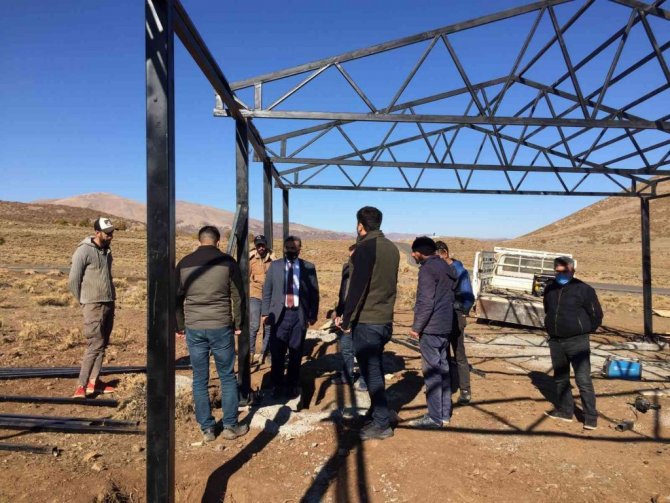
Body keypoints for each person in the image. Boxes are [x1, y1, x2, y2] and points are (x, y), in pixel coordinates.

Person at [176, 225, 249, 442]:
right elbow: (238, 296)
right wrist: (238, 323)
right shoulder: (227, 262)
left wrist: (180, 325)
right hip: (221, 326)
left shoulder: (184, 263)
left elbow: (176, 298)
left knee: (200, 379)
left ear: (199, 241)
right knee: (227, 376)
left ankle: (207, 429)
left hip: (194, 327)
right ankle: (230, 426)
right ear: (218, 242)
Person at [336, 207, 400, 441]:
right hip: (384, 319)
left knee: (371, 372)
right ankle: (377, 413)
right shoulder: (392, 248)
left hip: (367, 321)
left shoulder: (364, 248)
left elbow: (357, 287)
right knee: (376, 369)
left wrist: (346, 319)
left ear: (360, 225)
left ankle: (382, 424)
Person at [543, 256, 603, 430]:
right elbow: (548, 309)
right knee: (561, 378)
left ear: (572, 271)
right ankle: (565, 411)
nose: (561, 275)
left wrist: (584, 330)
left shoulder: (584, 289)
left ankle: (590, 417)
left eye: (565, 271)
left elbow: (596, 314)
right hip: (556, 341)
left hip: (577, 341)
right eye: (558, 271)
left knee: (583, 379)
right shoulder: (549, 288)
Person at [262, 236, 319, 399]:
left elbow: (314, 293)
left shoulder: (308, 267)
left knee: (296, 352)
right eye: (287, 247)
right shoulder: (275, 266)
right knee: (277, 352)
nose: (290, 250)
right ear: (284, 248)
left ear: (300, 249)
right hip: (279, 315)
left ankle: (292, 384)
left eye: (293, 248)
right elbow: (267, 290)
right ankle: (277, 385)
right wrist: (265, 312)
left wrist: (313, 314)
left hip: (298, 315)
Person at [409, 237, 458, 429]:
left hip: (431, 327)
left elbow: (426, 301)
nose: (413, 255)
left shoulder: (427, 269)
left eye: (414, 252)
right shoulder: (445, 266)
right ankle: (444, 414)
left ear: (420, 252)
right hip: (446, 325)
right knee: (444, 370)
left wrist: (416, 327)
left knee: (432, 372)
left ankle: (435, 417)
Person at [68, 217, 117, 399]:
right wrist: (84, 301)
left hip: (108, 302)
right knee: (94, 344)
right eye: (107, 233)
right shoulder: (83, 251)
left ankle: (93, 383)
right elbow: (73, 280)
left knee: (102, 344)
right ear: (97, 232)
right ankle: (80, 386)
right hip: (92, 304)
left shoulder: (107, 251)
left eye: (112, 232)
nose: (110, 236)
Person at [435, 240, 475, 404]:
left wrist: (461, 311)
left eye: (437, 257)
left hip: (456, 316)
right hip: (443, 316)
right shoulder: (442, 269)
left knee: (459, 354)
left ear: (445, 253)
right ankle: (447, 388)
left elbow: (468, 296)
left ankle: (465, 390)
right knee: (444, 353)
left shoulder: (459, 271)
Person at [330, 244, 366, 391]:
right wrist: (339, 313)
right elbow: (342, 293)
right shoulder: (346, 268)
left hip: (362, 315)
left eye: (354, 256)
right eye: (349, 256)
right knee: (346, 347)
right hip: (346, 314)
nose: (351, 259)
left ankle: (364, 379)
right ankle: (347, 376)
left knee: (362, 349)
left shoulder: (367, 270)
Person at [249, 235, 275, 363]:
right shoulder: (251, 259)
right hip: (255, 294)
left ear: (266, 245)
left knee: (268, 326)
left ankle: (265, 353)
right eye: (258, 245)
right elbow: (246, 277)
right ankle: (250, 353)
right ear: (256, 246)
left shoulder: (273, 259)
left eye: (262, 245)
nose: (261, 248)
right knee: (254, 325)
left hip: (269, 296)